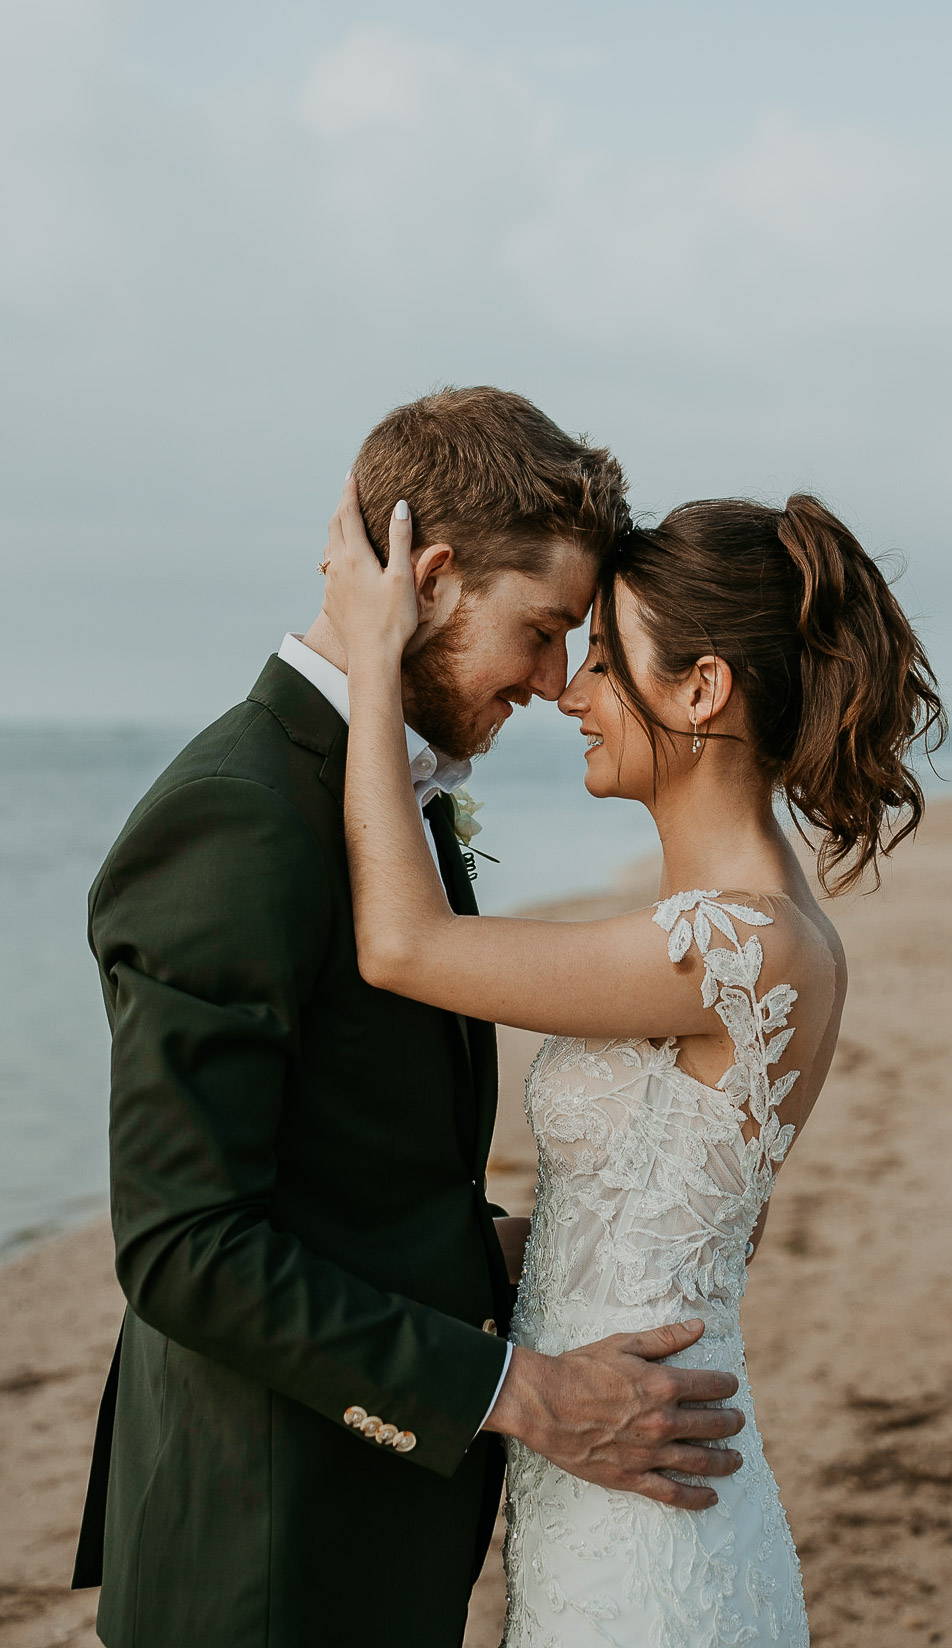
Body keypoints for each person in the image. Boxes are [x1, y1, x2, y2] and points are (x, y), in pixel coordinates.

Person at [73, 388, 747, 1648]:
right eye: (542, 629)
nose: (554, 682)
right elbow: (183, 1248)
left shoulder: (391, 788)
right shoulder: (239, 813)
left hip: (372, 1528)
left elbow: (351, 1156)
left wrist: (534, 1246)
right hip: (264, 1554)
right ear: (430, 580)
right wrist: (527, 1394)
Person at [320, 472, 944, 1647]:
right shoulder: (741, 930)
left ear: (702, 688)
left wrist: (371, 660)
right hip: (611, 1466)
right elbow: (698, 1227)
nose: (570, 692)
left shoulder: (739, 944)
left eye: (604, 658)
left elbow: (401, 945)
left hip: (650, 1525)